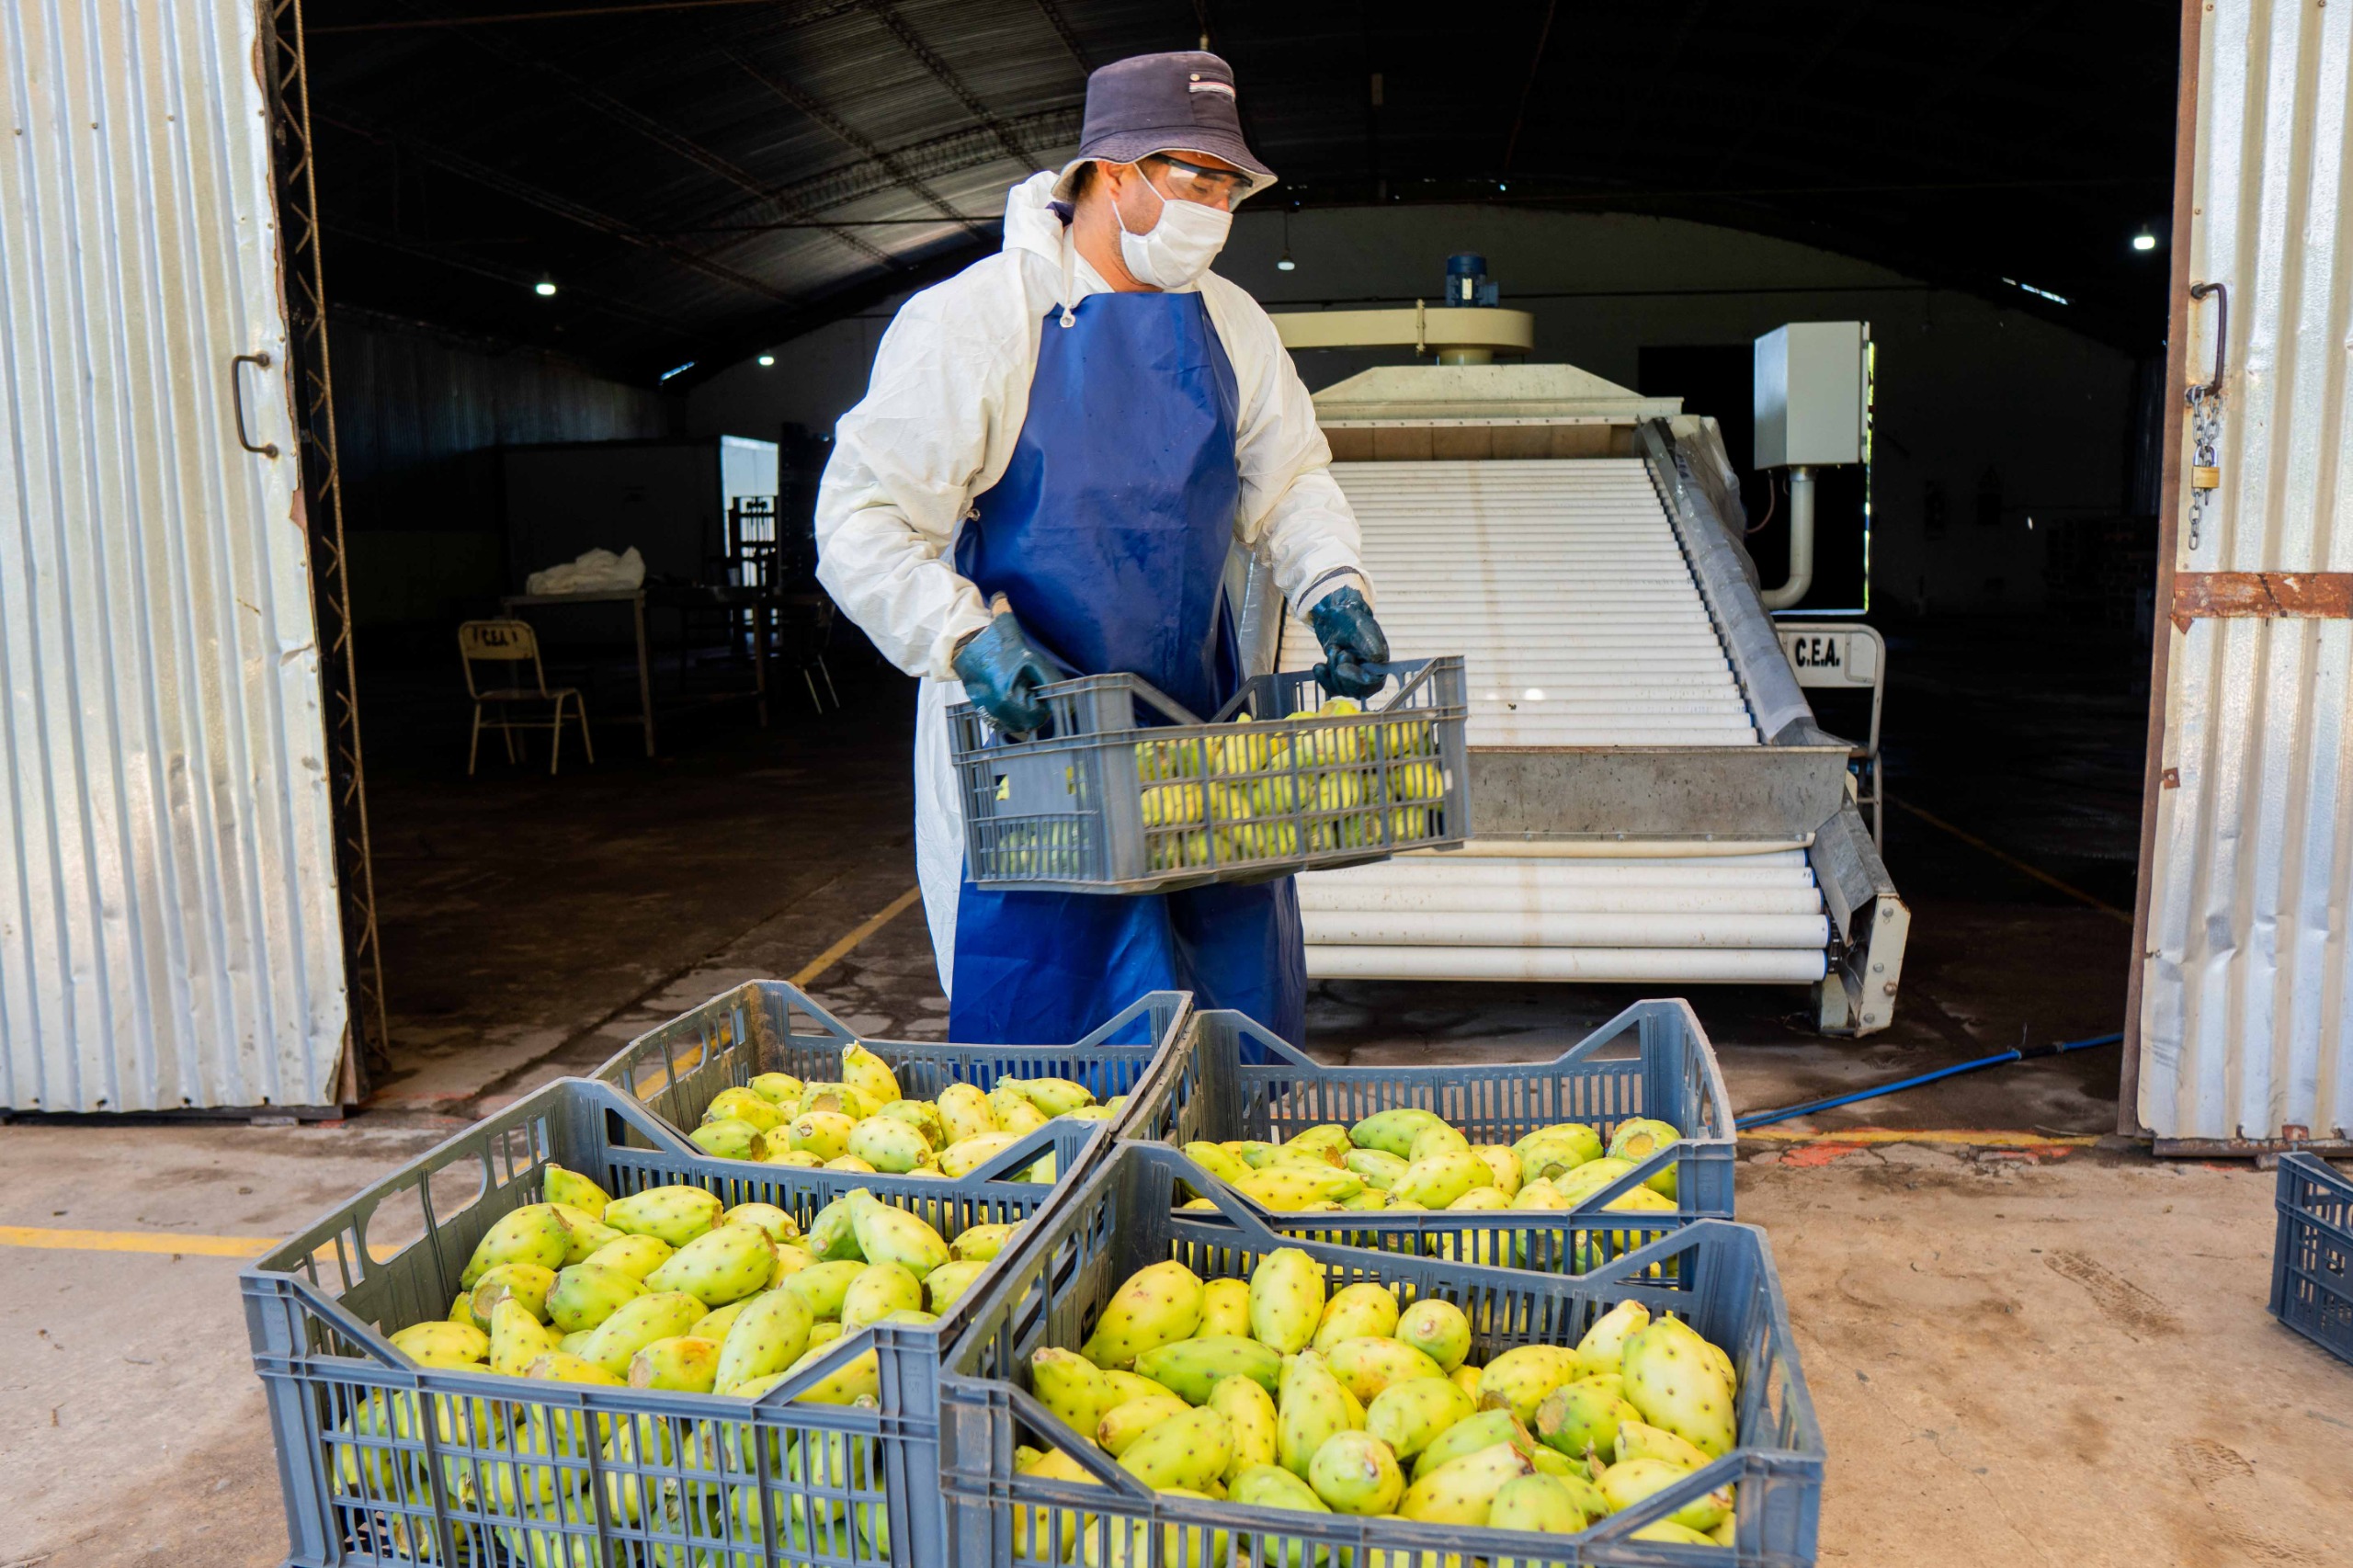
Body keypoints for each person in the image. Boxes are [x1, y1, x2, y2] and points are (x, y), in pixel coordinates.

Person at [815, 50, 1388, 1047]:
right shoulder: (978, 319)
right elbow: (860, 523)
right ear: (1113, 173)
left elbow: (1288, 478)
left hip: (1193, 734)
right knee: (1053, 1026)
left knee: (1225, 1019)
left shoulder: (1232, 322)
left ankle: (1211, 1200)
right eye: (1195, 181)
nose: (1217, 208)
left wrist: (1331, 581)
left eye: (1229, 188)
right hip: (1027, 742)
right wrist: (963, 641)